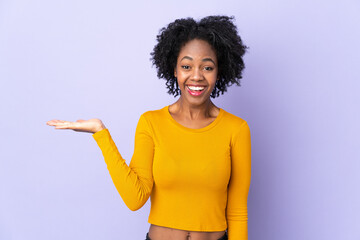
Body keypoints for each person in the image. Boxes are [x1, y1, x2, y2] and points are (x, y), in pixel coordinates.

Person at [46, 15, 251, 240]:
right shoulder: (151, 123)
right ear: (174, 70)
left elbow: (238, 212)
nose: (196, 76)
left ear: (219, 72)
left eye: (207, 67)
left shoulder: (236, 129)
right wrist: (101, 134)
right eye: (186, 66)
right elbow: (136, 199)